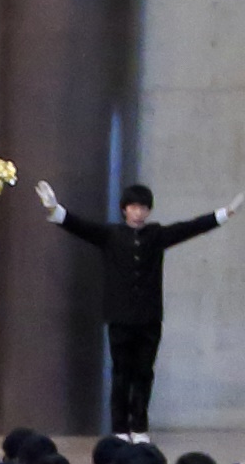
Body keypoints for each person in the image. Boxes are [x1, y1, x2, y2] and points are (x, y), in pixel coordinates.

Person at [33, 176, 230, 430]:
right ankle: (119, 428)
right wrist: (54, 208)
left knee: (144, 374)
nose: (138, 213)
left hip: (149, 318)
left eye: (143, 208)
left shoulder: (156, 235)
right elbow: (79, 226)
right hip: (120, 317)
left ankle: (139, 426)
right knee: (121, 374)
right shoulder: (111, 235)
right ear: (125, 209)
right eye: (134, 207)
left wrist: (223, 214)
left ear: (149, 211)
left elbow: (188, 228)